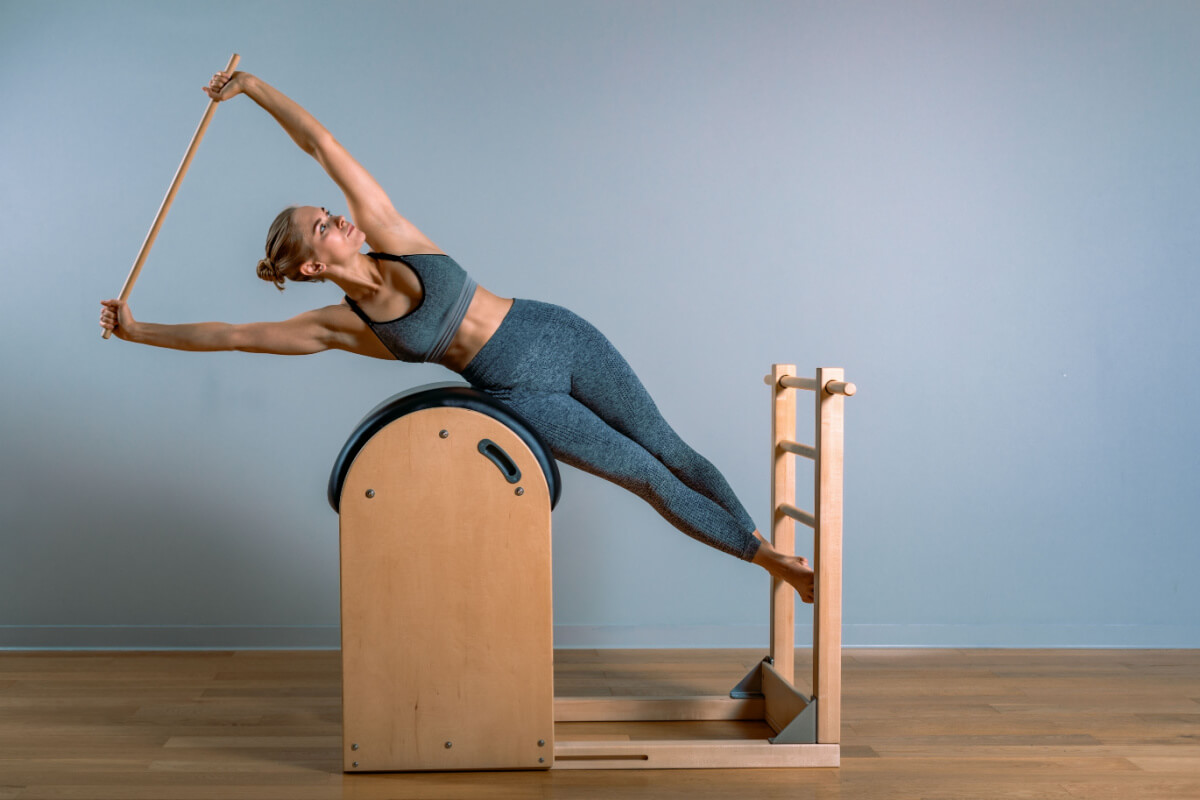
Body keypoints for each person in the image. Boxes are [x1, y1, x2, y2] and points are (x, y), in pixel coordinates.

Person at [100, 70, 815, 603]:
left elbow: (320, 143)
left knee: (671, 448)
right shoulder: (340, 327)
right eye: (323, 225)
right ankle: (768, 561)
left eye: (327, 211)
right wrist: (138, 333)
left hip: (555, 334)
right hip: (517, 392)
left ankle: (758, 540)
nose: (338, 219)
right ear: (316, 264)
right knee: (645, 476)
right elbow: (231, 334)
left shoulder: (389, 232)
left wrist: (253, 87)